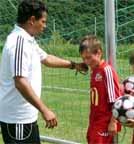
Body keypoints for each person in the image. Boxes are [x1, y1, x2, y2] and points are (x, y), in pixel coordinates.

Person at [0, 0, 87, 143]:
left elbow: (46, 58)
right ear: (32, 20)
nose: (45, 26)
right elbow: (20, 81)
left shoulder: (28, 40)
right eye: (43, 21)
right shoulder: (18, 43)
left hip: (24, 118)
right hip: (18, 119)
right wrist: (44, 110)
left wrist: (73, 65)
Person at [79, 35, 121, 144]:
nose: (86, 62)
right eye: (83, 58)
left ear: (98, 53)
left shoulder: (106, 70)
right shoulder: (95, 70)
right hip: (95, 120)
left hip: (105, 122)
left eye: (88, 57)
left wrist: (113, 122)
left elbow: (116, 100)